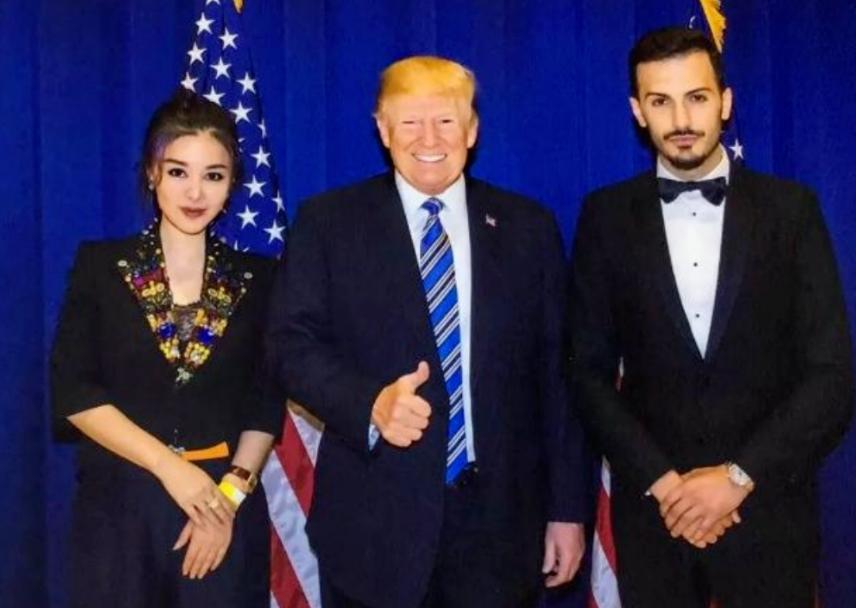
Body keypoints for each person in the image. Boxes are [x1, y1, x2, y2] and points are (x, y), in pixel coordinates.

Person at [266, 56, 587, 608]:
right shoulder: (328, 223)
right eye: (410, 122)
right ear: (383, 128)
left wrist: (566, 510)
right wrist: (370, 404)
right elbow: (288, 347)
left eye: (445, 121)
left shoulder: (528, 228)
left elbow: (559, 377)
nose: (429, 139)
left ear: (472, 129)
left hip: (502, 531)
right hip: (373, 532)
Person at [569, 27, 853, 608]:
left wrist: (737, 478)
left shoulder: (792, 211)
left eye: (696, 97)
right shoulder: (604, 217)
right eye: (660, 101)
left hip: (769, 516)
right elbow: (586, 372)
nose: (680, 119)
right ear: (637, 111)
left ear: (725, 102)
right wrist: (666, 485)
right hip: (655, 519)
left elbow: (831, 374)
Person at [50, 90, 282, 608]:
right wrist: (171, 469)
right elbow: (74, 391)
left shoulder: (262, 279)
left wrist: (224, 504)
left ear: (232, 184)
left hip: (221, 520)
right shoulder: (100, 267)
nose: (195, 192)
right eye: (178, 172)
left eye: (213, 175)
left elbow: (265, 404)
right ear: (152, 173)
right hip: (118, 515)